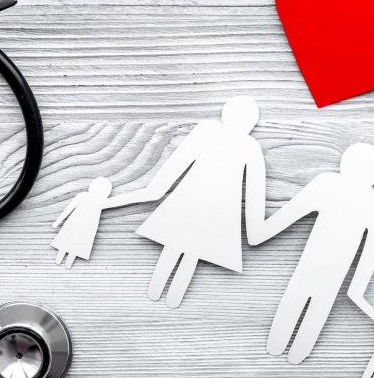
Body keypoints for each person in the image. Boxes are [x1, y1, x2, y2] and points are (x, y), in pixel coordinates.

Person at [246, 143, 374, 371]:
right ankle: (287, 352)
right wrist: (357, 293)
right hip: (321, 279)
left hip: (317, 276)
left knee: (294, 325)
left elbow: (284, 218)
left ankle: (286, 351)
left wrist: (259, 230)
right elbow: (368, 258)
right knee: (300, 325)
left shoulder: (337, 188)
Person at [105, 96, 265, 308]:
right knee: (189, 252)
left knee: (181, 248)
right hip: (208, 215)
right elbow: (255, 204)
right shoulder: (246, 145)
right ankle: (165, 297)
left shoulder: (213, 133)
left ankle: (162, 296)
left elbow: (162, 182)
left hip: (196, 210)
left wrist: (107, 203)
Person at [51, 176, 113, 269]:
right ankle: (61, 261)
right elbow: (69, 209)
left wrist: (58, 222)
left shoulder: (98, 201)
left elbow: (68, 209)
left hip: (82, 226)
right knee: (70, 244)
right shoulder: (91, 198)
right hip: (79, 226)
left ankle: (63, 262)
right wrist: (57, 222)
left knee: (70, 244)